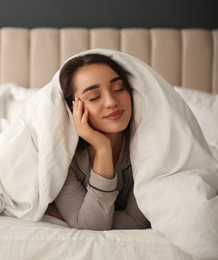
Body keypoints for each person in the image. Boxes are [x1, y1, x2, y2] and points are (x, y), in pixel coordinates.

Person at [45, 53, 150, 230]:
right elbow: (93, 225)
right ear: (73, 108)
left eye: (118, 88)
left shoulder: (150, 145)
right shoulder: (62, 159)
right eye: (94, 97)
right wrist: (103, 149)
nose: (111, 102)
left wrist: (72, 215)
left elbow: (141, 220)